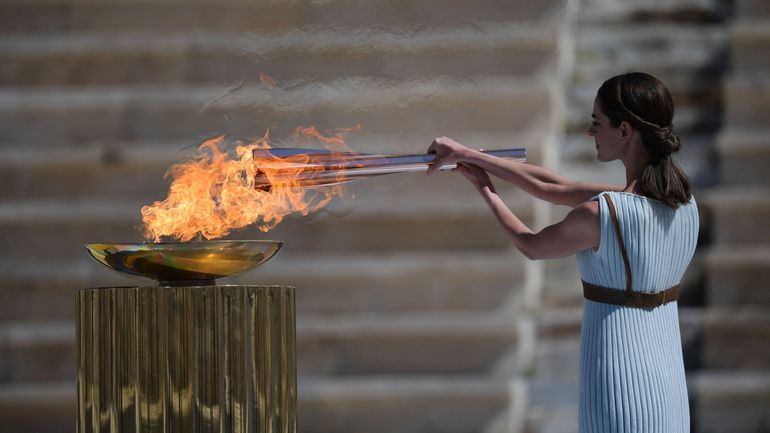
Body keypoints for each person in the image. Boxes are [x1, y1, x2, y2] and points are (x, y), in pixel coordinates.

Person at [427, 72, 697, 433]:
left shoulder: (603, 215)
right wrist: (472, 156)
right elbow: (555, 187)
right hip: (668, 382)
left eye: (597, 123)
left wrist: (484, 187)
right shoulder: (683, 203)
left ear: (625, 131)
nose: (591, 132)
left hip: (620, 382)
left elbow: (531, 245)